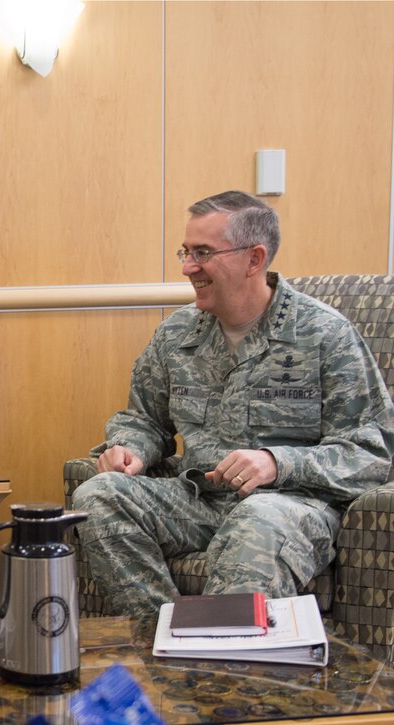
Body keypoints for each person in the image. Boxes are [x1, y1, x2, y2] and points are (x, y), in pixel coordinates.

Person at [72, 191, 394, 618]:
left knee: (257, 520)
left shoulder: (325, 336)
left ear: (254, 258)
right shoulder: (176, 335)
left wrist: (277, 463)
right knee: (97, 494)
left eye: (202, 253)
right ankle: (157, 641)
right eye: (185, 252)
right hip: (200, 500)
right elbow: (143, 419)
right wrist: (130, 449)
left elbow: (371, 454)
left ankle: (227, 674)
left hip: (289, 506)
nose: (188, 267)